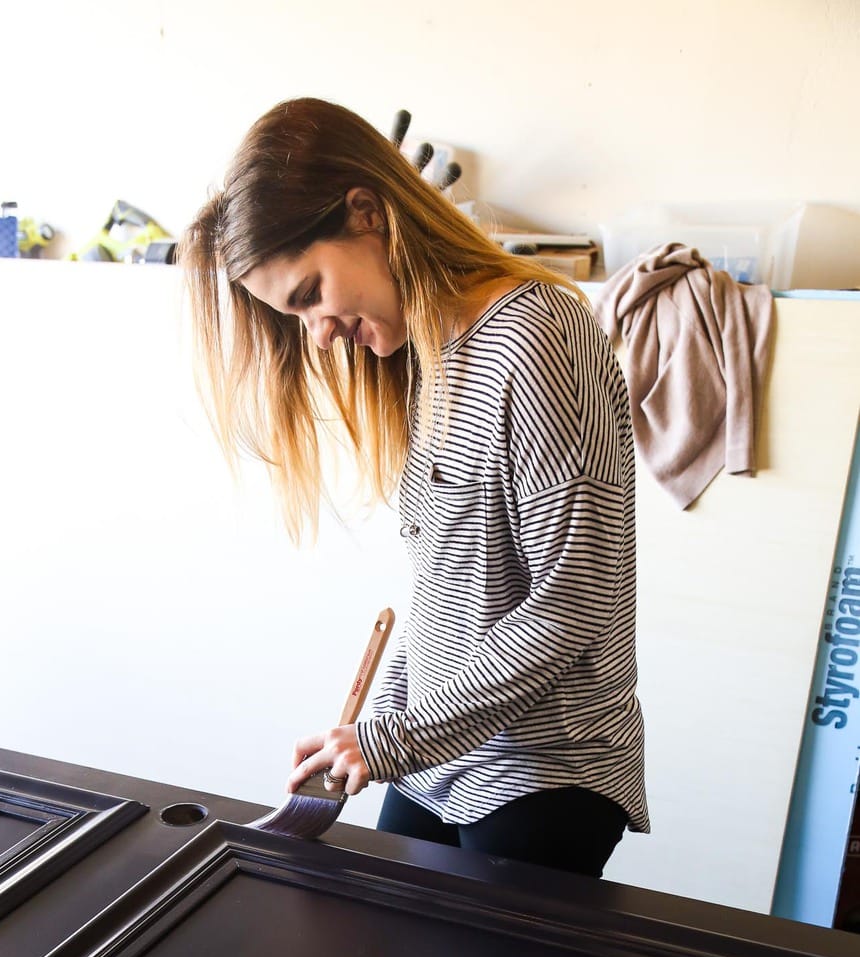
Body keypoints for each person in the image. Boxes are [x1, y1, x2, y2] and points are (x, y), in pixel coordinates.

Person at [182, 98, 649, 878]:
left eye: (309, 296)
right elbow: (447, 596)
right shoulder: (433, 356)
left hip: (542, 772)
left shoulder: (537, 339)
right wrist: (379, 725)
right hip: (445, 759)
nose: (320, 334)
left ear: (367, 213)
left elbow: (576, 600)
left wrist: (393, 738)